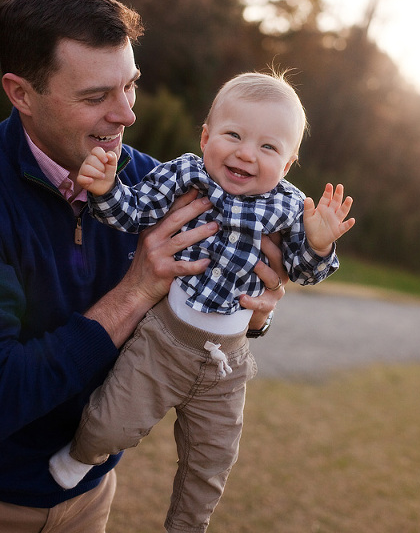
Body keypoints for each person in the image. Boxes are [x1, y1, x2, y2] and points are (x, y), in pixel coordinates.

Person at [0, 0, 288, 533]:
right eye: (95, 97)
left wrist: (249, 314)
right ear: (21, 94)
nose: (127, 114)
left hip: (91, 497)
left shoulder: (157, 186)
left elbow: (190, 325)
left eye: (130, 85)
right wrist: (136, 289)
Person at [48, 71, 355, 532]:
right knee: (113, 422)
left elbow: (299, 273)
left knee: (212, 461)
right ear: (206, 135)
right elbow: (133, 214)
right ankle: (79, 455)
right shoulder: (184, 174)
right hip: (165, 339)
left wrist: (318, 245)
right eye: (233, 135)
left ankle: (187, 526)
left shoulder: (289, 208)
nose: (246, 153)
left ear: (288, 165)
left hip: (227, 363)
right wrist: (107, 188)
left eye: (269, 148)